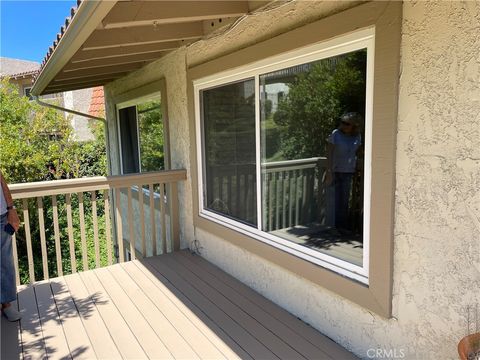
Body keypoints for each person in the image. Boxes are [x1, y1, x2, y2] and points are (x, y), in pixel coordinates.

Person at [325, 112, 363, 234]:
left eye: (346, 123)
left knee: (344, 201)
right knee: (334, 201)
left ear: (353, 126)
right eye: (342, 122)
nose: (343, 125)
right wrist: (329, 171)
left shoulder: (357, 137)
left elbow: (357, 152)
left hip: (348, 172)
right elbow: (329, 152)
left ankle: (342, 228)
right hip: (335, 171)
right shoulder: (335, 134)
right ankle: (333, 227)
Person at [0, 170, 22, 321]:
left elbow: (1, 180)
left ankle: (6, 304)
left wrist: (11, 209)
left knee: (5, 261)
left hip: (1, 216)